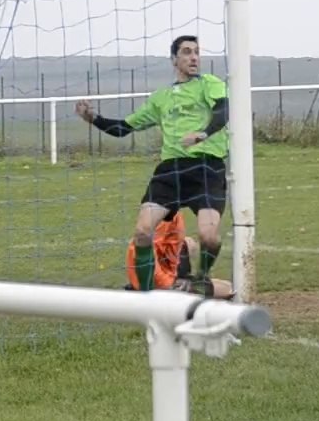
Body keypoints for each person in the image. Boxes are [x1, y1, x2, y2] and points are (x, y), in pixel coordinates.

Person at [76, 34, 228, 296]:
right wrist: (94, 119)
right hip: (170, 171)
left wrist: (202, 134)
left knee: (209, 237)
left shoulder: (209, 84)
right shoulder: (161, 98)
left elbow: (223, 111)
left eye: (196, 52)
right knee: (143, 232)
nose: (193, 57)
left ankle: (200, 280)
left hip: (207, 168)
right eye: (186, 52)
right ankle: (145, 297)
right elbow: (123, 128)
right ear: (174, 59)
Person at [123, 210, 234, 299]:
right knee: (228, 289)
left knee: (190, 243)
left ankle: (187, 281)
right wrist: (171, 285)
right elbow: (140, 254)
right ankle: (187, 287)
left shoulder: (170, 210)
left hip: (168, 266)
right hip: (159, 281)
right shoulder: (158, 221)